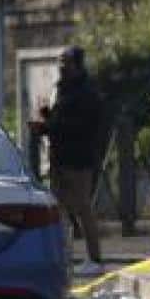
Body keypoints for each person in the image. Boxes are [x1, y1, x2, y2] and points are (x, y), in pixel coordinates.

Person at [39, 45, 110, 264]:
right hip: (59, 158)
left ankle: (95, 258)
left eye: (66, 62)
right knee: (58, 210)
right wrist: (47, 117)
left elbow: (82, 126)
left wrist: (50, 126)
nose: (61, 67)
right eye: (59, 62)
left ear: (77, 65)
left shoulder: (87, 92)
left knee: (82, 207)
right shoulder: (60, 88)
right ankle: (62, 256)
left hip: (78, 159)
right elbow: (60, 118)